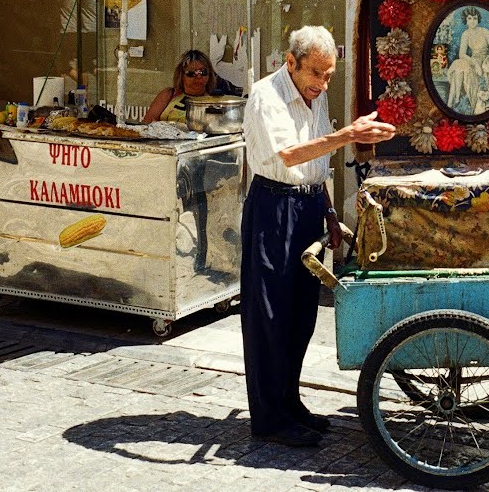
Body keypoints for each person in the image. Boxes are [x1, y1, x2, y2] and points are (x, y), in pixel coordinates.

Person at [241, 26, 395, 447]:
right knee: (270, 315)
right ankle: (270, 418)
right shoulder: (266, 96)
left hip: (308, 204)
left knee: (302, 313)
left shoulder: (316, 93)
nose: (323, 84)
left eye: (328, 76)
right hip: (274, 207)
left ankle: (289, 402)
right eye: (316, 74)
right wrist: (348, 136)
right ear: (290, 62)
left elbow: (318, 159)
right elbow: (289, 155)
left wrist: (328, 210)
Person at [142, 49, 241, 124]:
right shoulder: (168, 95)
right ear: (181, 75)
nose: (199, 77)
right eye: (192, 73)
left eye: (203, 72)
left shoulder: (214, 102)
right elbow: (148, 122)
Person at [446, 7, 489, 115]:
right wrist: (475, 63)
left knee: (459, 66)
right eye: (469, 18)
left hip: (485, 60)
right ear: (466, 20)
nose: (472, 21)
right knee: (458, 65)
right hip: (473, 60)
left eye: (475, 18)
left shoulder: (485, 32)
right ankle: (455, 99)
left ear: (478, 19)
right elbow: (462, 54)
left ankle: (452, 102)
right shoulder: (465, 34)